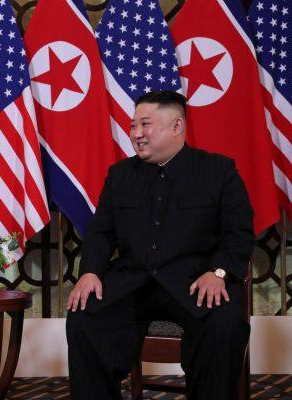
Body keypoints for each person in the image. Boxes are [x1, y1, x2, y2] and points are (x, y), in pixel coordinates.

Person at [66, 90, 254, 400]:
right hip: (132, 283)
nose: (136, 134)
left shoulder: (218, 170)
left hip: (194, 281)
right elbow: (100, 232)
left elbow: (239, 232)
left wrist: (218, 271)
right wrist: (90, 272)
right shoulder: (120, 175)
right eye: (132, 126)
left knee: (224, 323)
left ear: (177, 126)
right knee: (84, 314)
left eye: (146, 125)